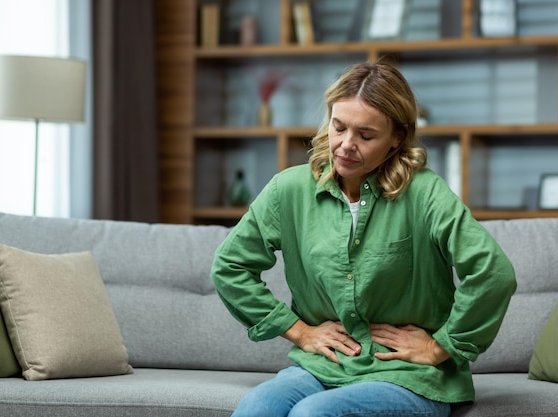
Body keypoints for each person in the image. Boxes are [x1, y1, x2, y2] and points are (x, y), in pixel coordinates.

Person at [210, 61, 516, 417]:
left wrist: (439, 347)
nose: (345, 146)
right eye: (339, 127)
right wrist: (298, 331)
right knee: (256, 408)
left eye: (366, 136)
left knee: (314, 415)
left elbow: (493, 274)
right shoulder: (288, 190)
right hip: (323, 367)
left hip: (408, 376)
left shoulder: (425, 193)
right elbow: (230, 266)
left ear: (396, 138)